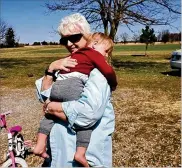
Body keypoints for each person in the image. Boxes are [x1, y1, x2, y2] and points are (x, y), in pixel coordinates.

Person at [35, 13, 116, 167]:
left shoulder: (97, 72)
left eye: (75, 37)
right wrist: (51, 68)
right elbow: (42, 95)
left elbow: (87, 115)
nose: (69, 43)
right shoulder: (68, 64)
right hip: (59, 156)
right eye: (64, 40)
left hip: (83, 158)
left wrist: (52, 107)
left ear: (88, 37)